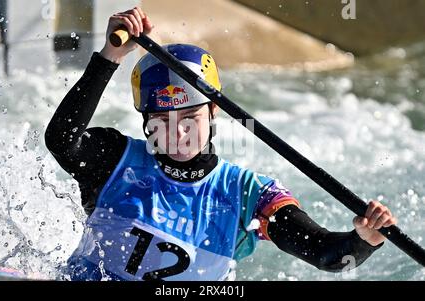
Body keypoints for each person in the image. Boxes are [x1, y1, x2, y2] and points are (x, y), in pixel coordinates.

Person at [44, 7, 397, 281]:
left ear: (213, 110)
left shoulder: (249, 196)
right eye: (161, 122)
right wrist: (111, 55)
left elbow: (326, 254)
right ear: (144, 120)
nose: (177, 135)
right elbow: (61, 140)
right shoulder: (115, 160)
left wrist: (364, 238)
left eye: (189, 119)